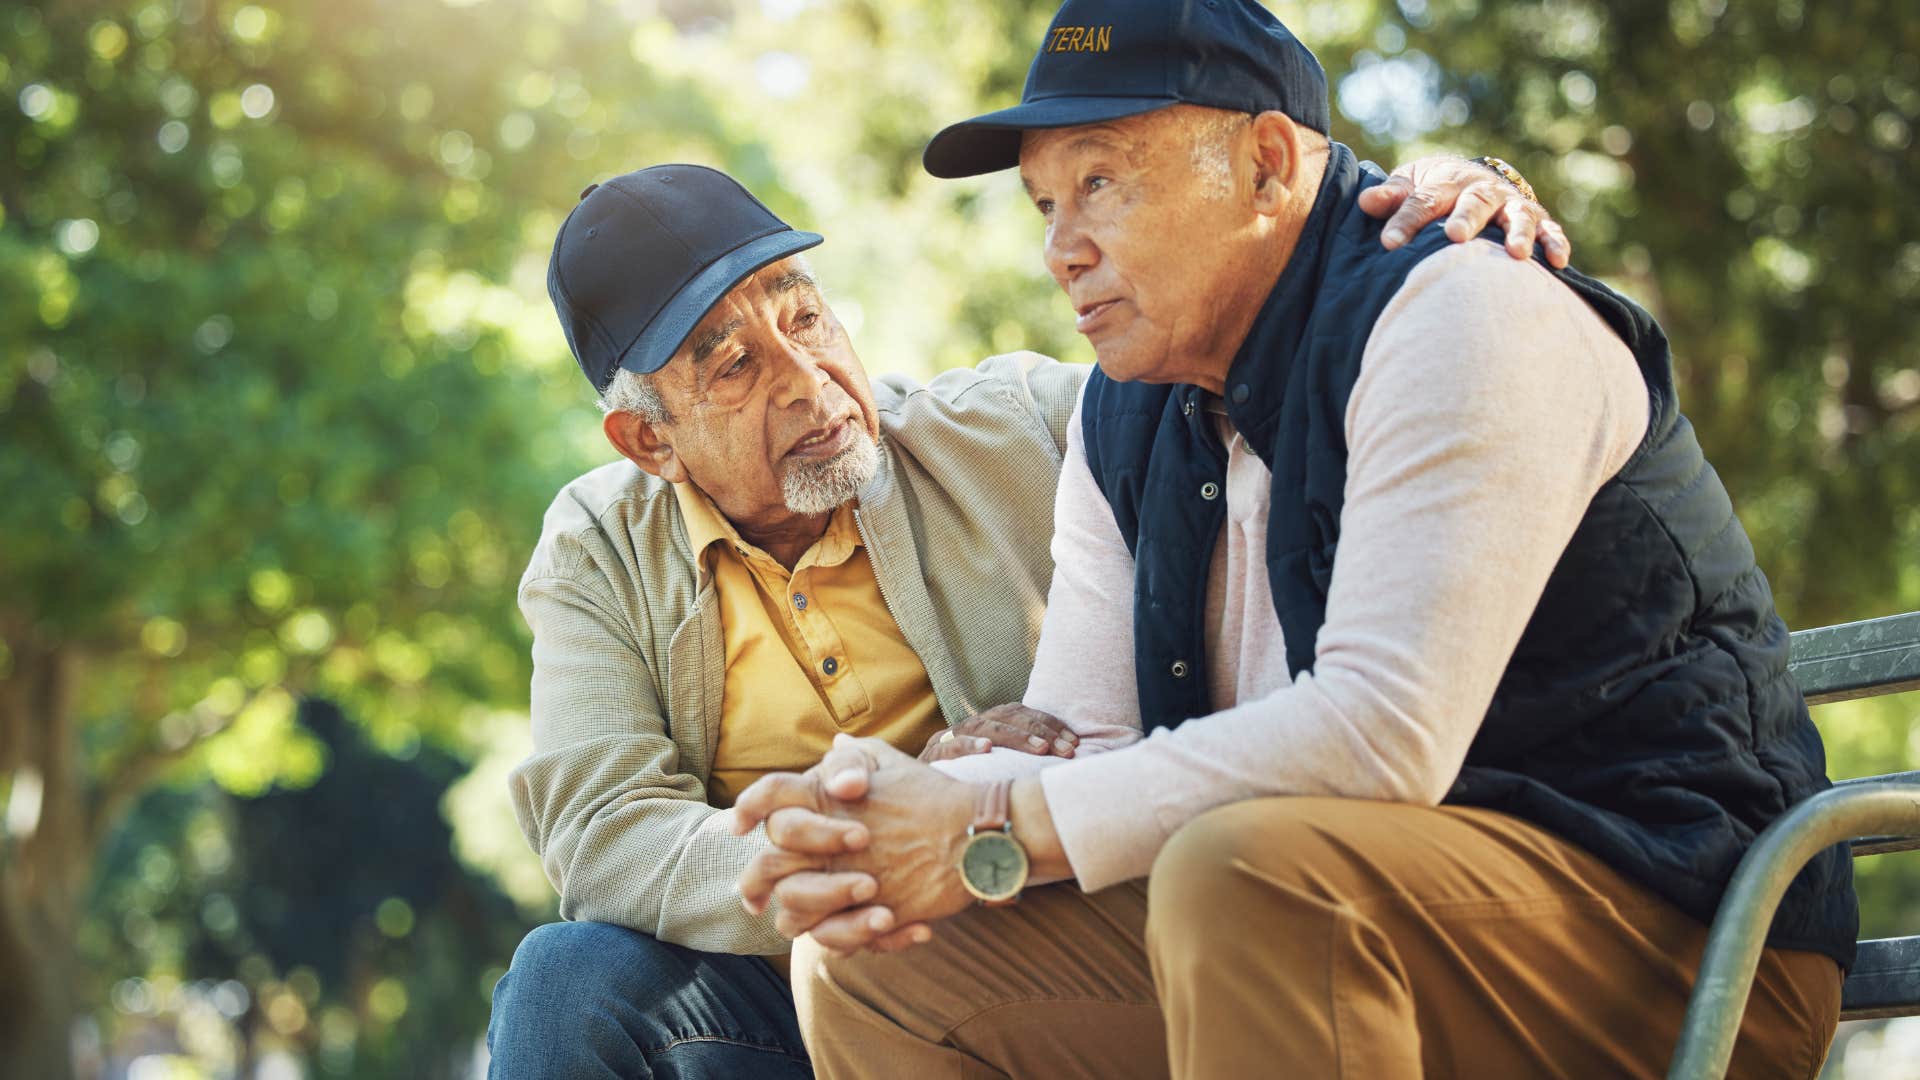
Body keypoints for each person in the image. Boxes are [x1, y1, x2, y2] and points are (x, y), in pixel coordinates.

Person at [732, 1, 1858, 1077]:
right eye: (1044, 204)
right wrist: (882, 812)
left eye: (1101, 182)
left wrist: (992, 820)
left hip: (1685, 940)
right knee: (873, 960)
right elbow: (1086, 749)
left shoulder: (1460, 308)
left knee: (1249, 871)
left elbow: (1382, 733)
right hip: (1324, 926)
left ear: (1268, 164)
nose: (1061, 249)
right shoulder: (1123, 415)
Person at [483, 154, 1568, 1074]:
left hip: (1042, 935)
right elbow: (605, 834)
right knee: (568, 980)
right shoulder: (596, 551)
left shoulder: (1011, 422)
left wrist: (1410, 228)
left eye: (805, 316)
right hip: (790, 995)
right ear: (650, 440)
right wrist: (862, 848)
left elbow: (1207, 369)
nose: (810, 381)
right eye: (735, 366)